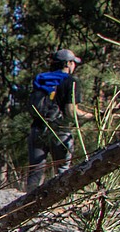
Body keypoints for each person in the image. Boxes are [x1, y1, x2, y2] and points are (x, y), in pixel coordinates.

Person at [25, 48, 92, 191]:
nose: (74, 66)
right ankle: (62, 205)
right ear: (67, 63)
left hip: (37, 129)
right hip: (59, 132)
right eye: (73, 63)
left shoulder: (41, 79)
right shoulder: (71, 82)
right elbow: (71, 111)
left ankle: (26, 206)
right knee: (63, 171)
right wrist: (91, 116)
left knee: (35, 171)